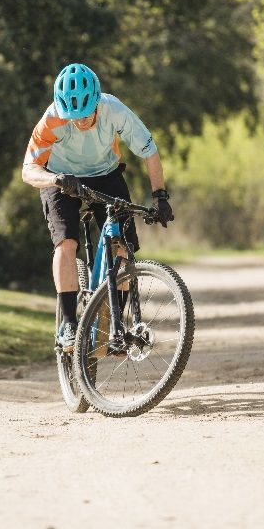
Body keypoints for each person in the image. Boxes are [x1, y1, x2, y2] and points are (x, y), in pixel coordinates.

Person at [20, 62, 173, 349]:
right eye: (72, 117)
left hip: (106, 175)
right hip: (62, 179)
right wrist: (55, 178)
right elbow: (28, 170)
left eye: (85, 115)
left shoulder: (114, 110)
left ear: (97, 103)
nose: (79, 122)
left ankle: (114, 325)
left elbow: (150, 152)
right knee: (66, 243)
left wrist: (160, 196)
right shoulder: (52, 119)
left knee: (123, 247)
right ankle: (68, 323)